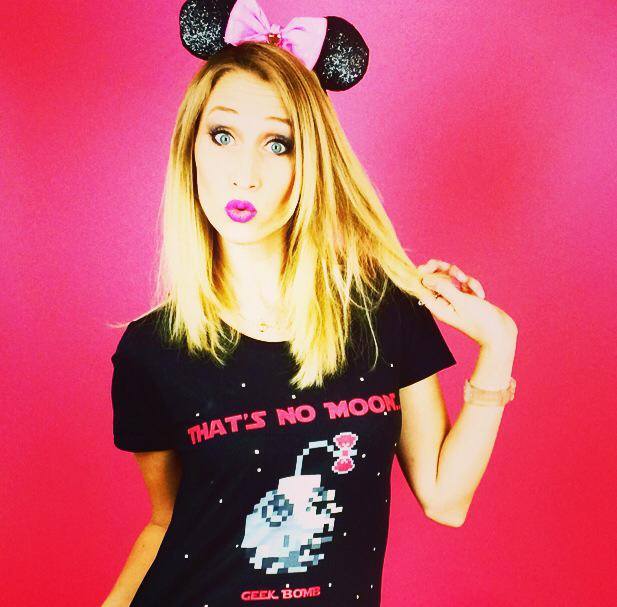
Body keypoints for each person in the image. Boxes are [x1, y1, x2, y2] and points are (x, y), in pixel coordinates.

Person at [103, 1, 518, 606]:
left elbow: (445, 500)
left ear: (313, 162)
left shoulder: (385, 314)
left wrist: (499, 345)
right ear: (189, 149)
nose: (245, 174)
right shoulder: (151, 351)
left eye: (278, 144)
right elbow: (166, 524)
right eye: (223, 136)